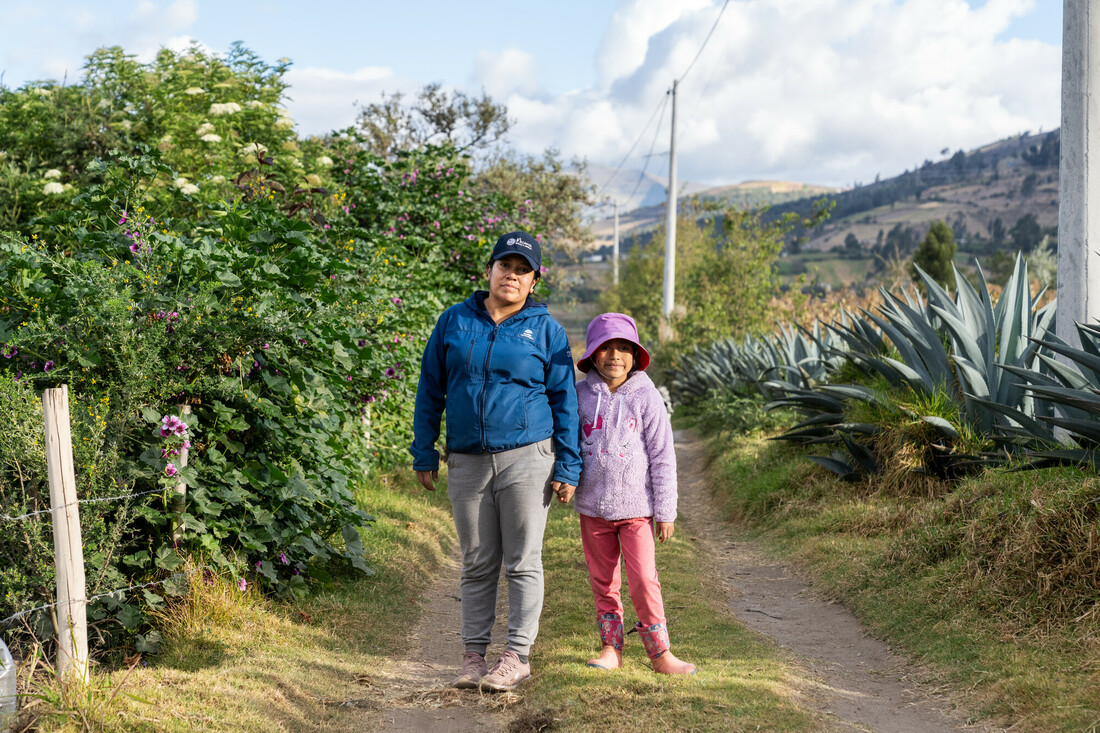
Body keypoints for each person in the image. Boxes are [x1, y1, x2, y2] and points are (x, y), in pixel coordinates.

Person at [411, 230, 581, 693]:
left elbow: (565, 400)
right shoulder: (453, 322)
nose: (512, 274)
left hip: (529, 458)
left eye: (522, 270)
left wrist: (569, 465)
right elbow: (431, 389)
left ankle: (517, 656)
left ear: (533, 282)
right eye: (505, 265)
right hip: (467, 460)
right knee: (477, 560)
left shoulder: (545, 329)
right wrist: (423, 449)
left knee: (523, 561)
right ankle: (473, 657)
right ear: (489, 270)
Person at [561, 312, 696, 675]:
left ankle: (660, 652)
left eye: (624, 348)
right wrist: (565, 478)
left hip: (637, 510)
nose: (615, 356)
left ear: (635, 356)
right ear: (592, 354)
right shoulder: (579, 396)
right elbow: (569, 446)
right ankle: (611, 648)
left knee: (642, 579)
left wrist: (666, 511)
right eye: (606, 348)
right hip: (593, 509)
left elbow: (663, 457)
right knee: (604, 581)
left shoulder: (646, 398)